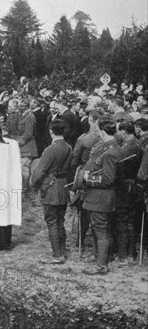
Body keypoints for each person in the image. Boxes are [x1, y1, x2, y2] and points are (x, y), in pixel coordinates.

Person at [80, 118, 121, 275]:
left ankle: (101, 265)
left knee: (101, 230)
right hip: (98, 197)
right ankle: (100, 259)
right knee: (99, 229)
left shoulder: (110, 152)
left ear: (103, 132)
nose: (96, 132)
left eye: (97, 129)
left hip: (100, 197)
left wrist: (87, 179)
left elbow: (108, 179)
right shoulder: (109, 147)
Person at [30, 119, 73, 264]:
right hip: (63, 185)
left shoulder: (50, 149)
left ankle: (57, 254)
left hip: (50, 186)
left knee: (51, 221)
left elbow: (39, 172)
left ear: (51, 132)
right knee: (60, 220)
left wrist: (33, 184)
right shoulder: (69, 147)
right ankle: (61, 251)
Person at [70, 109, 104, 255]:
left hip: (85, 175)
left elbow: (74, 160)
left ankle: (81, 241)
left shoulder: (84, 138)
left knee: (83, 210)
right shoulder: (108, 138)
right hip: (103, 176)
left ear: (91, 120)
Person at [113, 121, 143, 265]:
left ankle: (125, 255)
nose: (117, 134)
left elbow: (120, 168)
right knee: (129, 220)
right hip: (131, 186)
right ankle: (130, 254)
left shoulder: (129, 147)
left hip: (126, 187)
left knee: (123, 221)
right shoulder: (136, 144)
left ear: (124, 131)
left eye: (119, 131)